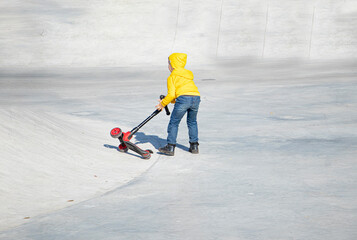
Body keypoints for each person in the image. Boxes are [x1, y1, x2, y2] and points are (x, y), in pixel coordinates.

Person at [155, 53, 201, 156]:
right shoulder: (188, 75)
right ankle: (194, 146)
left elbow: (172, 94)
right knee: (192, 122)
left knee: (174, 122)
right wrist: (169, 101)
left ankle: (170, 147)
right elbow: (183, 94)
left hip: (184, 99)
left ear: (173, 64)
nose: (168, 66)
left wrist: (162, 104)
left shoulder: (172, 77)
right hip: (196, 98)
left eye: (169, 64)